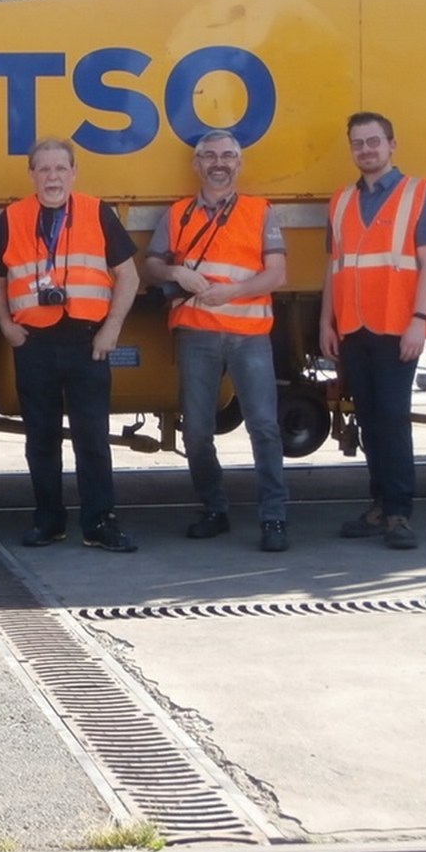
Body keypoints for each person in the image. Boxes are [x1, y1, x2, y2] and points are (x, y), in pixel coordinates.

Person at [0, 137, 140, 552]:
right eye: (44, 169)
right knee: (41, 437)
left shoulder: (97, 212)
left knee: (93, 438)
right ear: (32, 174)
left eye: (60, 169)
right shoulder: (13, 217)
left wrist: (112, 329)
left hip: (88, 342)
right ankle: (48, 520)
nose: (52, 177)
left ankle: (99, 523)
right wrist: (6, 326)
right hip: (34, 342)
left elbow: (129, 276)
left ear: (74, 172)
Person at [144, 130, 289, 552]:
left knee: (264, 427)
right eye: (209, 156)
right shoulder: (178, 215)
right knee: (196, 432)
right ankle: (214, 509)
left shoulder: (260, 211)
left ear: (238, 163)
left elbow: (277, 274)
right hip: (197, 334)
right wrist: (175, 272)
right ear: (197, 164)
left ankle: (274, 517)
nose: (218, 163)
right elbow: (151, 265)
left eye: (227, 155)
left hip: (249, 336)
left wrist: (232, 292)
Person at [320, 111, 426, 550]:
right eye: (358, 143)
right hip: (353, 328)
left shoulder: (416, 194)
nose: (366, 150)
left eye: (374, 141)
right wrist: (325, 322)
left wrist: (419, 322)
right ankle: (378, 505)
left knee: (392, 419)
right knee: (370, 420)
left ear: (392, 145)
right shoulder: (341, 201)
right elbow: (334, 267)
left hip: (397, 328)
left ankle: (398, 513)